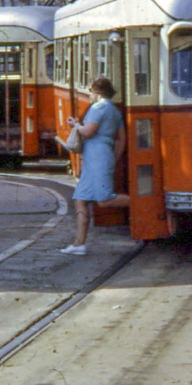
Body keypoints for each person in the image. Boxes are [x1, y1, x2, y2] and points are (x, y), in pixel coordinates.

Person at [60, 76, 129, 256]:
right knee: (80, 199)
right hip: (100, 157)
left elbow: (88, 131)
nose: (89, 95)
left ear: (96, 91)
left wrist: (75, 125)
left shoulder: (98, 108)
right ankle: (79, 244)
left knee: (104, 200)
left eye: (90, 91)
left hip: (96, 158)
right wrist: (113, 156)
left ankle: (139, 203)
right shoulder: (114, 111)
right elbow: (122, 138)